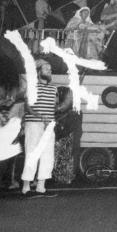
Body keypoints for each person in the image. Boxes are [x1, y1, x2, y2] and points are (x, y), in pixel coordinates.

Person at [22, 60, 71, 198]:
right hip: (34, 124)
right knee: (32, 154)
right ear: (39, 72)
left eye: (50, 69)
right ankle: (26, 188)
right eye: (46, 69)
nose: (49, 71)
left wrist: (63, 106)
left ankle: (41, 187)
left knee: (47, 155)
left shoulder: (53, 88)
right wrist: (39, 115)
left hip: (48, 126)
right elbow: (27, 107)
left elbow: (54, 107)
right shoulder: (32, 86)